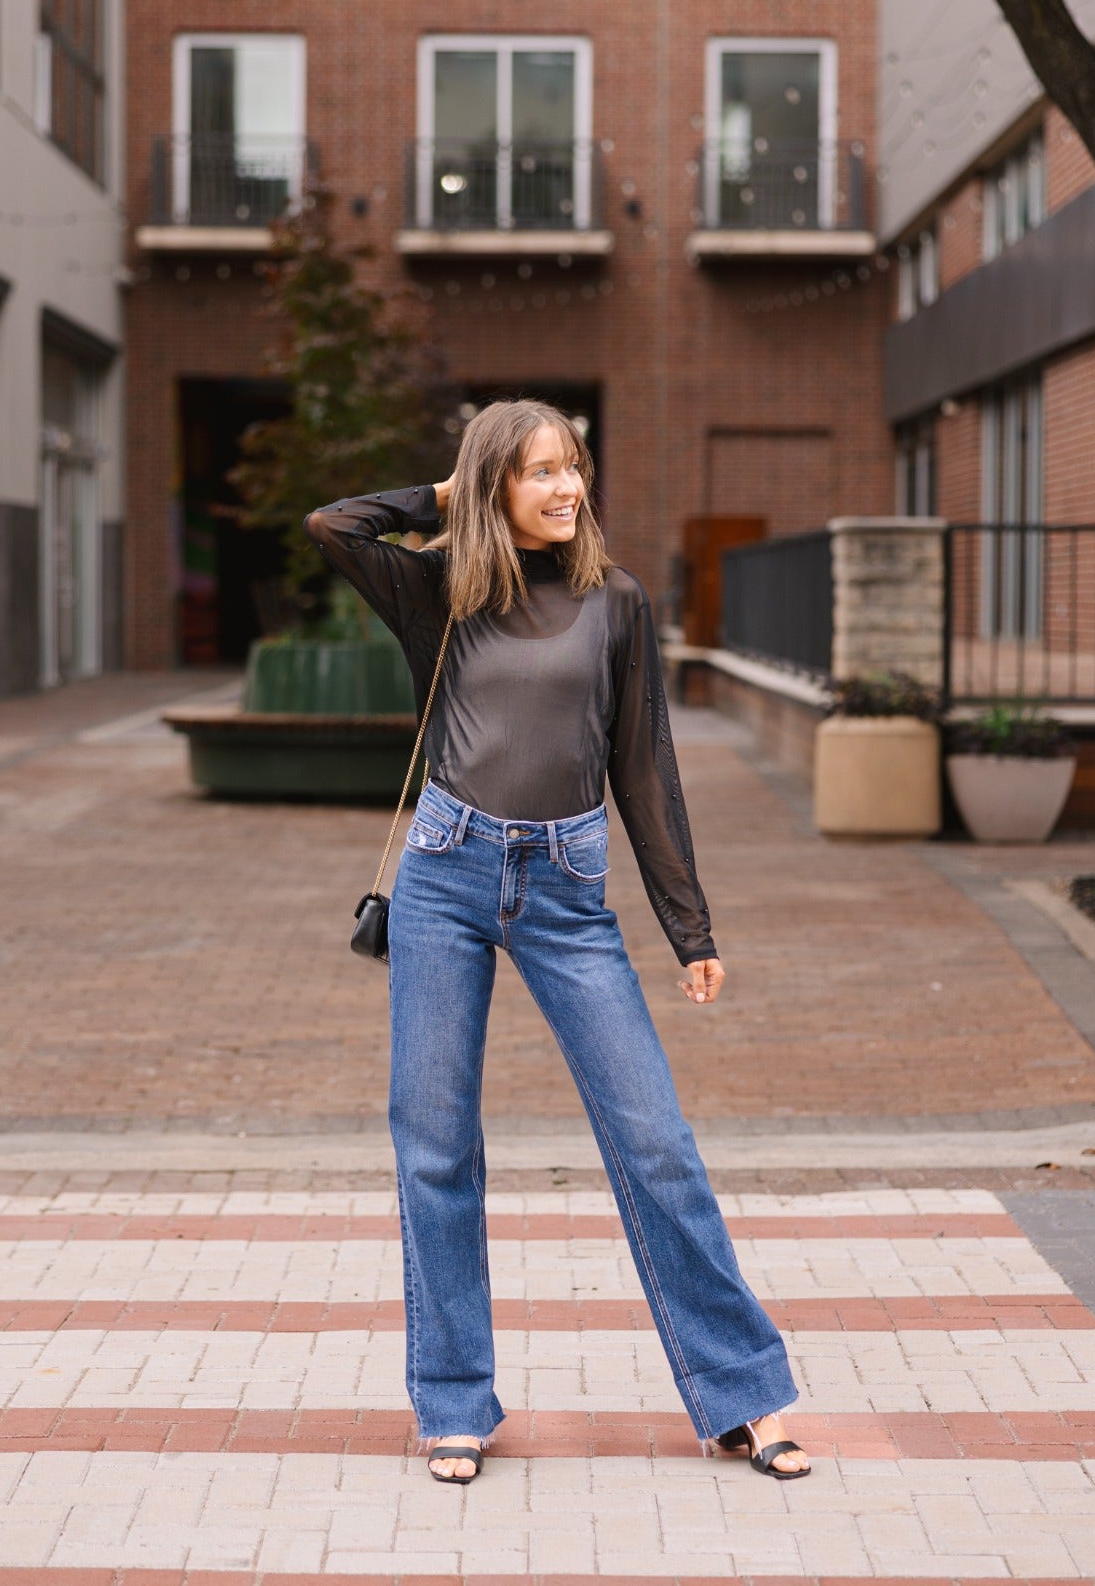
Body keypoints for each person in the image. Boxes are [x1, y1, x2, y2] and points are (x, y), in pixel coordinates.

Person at [305, 398, 808, 1486]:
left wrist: (689, 926)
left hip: (572, 887)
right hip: (444, 875)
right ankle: (452, 1403)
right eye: (535, 473)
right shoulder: (437, 590)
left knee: (655, 1142)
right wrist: (445, 494)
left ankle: (742, 1395)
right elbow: (334, 525)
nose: (566, 489)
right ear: (495, 488)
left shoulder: (613, 600)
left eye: (572, 467)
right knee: (434, 1144)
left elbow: (644, 767)